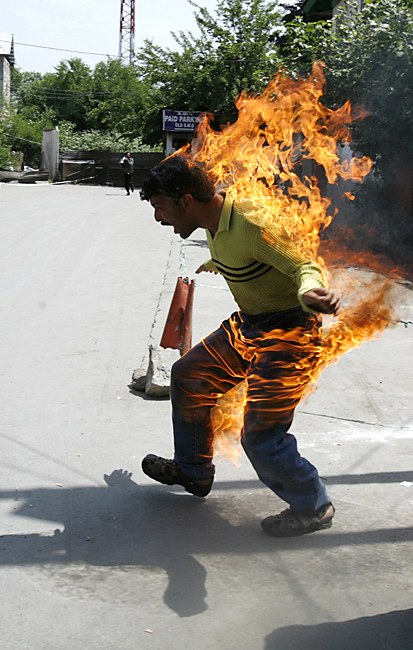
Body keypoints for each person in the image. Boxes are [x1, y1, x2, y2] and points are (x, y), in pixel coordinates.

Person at [138, 155, 340, 537]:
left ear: (185, 201)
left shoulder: (251, 223)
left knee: (262, 436)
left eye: (160, 207)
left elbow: (303, 266)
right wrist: (219, 265)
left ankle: (314, 506)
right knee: (189, 375)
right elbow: (244, 258)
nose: (158, 218)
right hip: (252, 324)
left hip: (290, 335)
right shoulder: (213, 223)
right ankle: (193, 470)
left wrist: (310, 290)